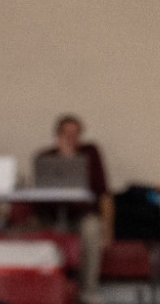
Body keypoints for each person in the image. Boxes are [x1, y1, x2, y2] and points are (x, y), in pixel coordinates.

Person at [33, 114, 112, 294]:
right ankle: (49, 291)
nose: (71, 138)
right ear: (57, 136)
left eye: (76, 134)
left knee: (92, 228)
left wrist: (107, 229)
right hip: (50, 218)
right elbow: (38, 196)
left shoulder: (90, 153)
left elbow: (104, 195)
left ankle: (89, 290)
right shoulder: (45, 157)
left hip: (82, 217)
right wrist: (62, 159)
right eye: (66, 133)